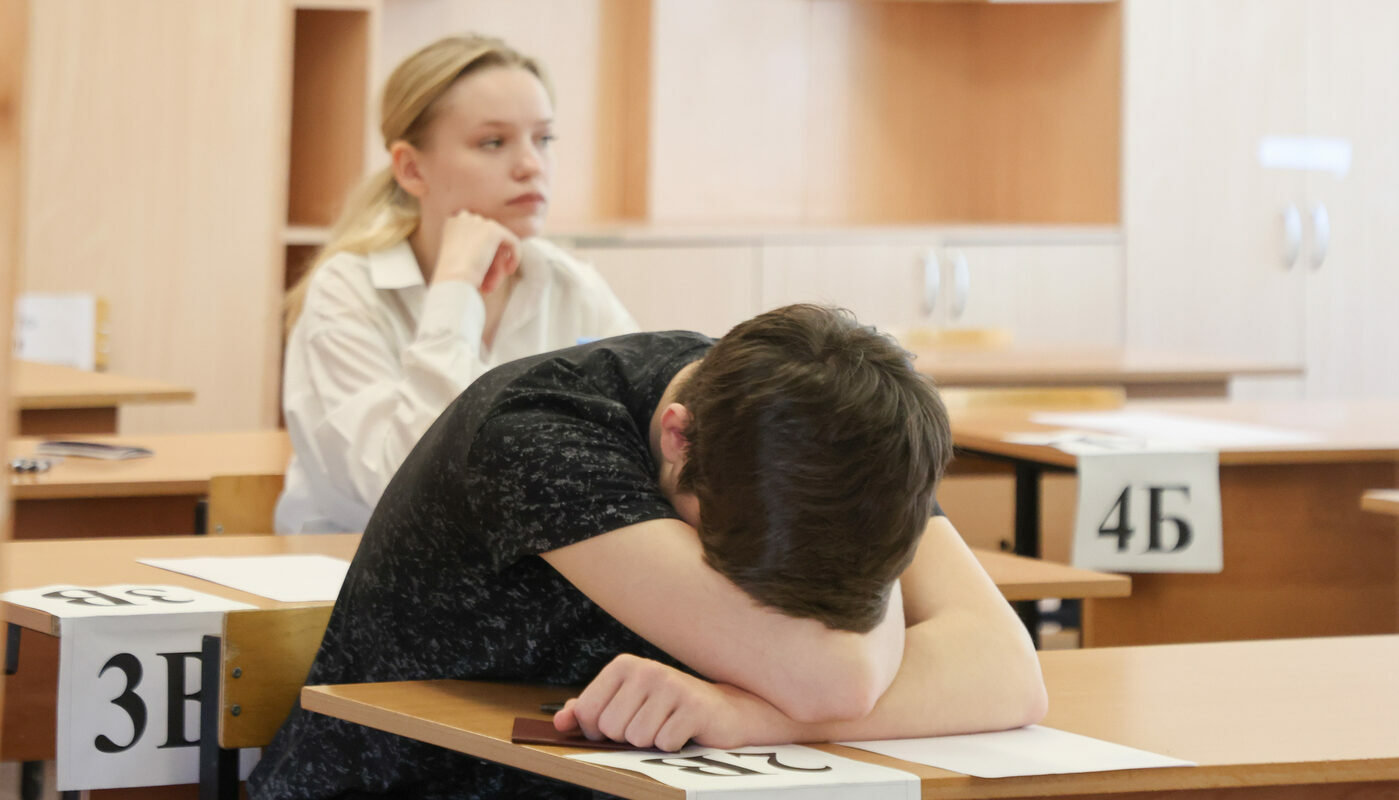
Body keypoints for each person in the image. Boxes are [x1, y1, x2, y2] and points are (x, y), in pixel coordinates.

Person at [249, 304, 1047, 800]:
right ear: (677, 437)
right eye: (747, 571)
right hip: (411, 784)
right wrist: (807, 683)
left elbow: (1007, 673)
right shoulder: (536, 434)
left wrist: (740, 716)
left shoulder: (832, 428)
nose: (804, 612)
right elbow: (838, 679)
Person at [276, 34, 638, 534]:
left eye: (544, 139)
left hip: (528, 565)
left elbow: (640, 450)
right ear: (411, 168)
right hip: (352, 568)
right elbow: (407, 489)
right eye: (493, 143)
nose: (531, 165)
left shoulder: (572, 285)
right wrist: (454, 291)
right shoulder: (346, 291)